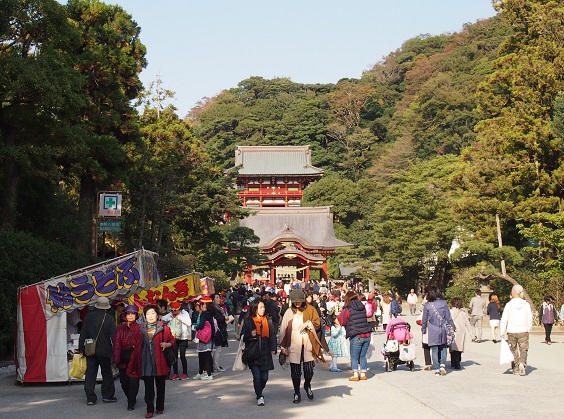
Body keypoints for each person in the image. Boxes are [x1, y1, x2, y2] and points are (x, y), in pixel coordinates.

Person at [127, 304, 175, 418]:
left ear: (157, 315)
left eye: (153, 313)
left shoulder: (164, 328)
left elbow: (172, 340)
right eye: (148, 314)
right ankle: (149, 409)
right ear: (145, 316)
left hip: (160, 361)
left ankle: (160, 407)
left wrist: (167, 344)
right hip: (146, 361)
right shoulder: (140, 329)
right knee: (148, 387)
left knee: (160, 386)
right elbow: (134, 343)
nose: (150, 316)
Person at [279, 289, 322, 404]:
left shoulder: (311, 310)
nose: (297, 303)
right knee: (295, 371)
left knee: (309, 369)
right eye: (295, 301)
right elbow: (283, 329)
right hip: (293, 344)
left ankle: (307, 385)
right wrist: (282, 347)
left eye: (299, 301)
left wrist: (308, 324)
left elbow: (318, 324)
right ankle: (296, 392)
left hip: (308, 343)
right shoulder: (289, 312)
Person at [78, 296, 117, 406]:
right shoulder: (109, 318)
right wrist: (117, 350)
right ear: (106, 308)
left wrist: (81, 348)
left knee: (90, 373)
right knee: (107, 373)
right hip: (105, 350)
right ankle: (107, 396)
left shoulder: (88, 317)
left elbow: (83, 333)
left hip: (90, 349)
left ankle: (90, 398)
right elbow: (113, 336)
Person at [241, 300, 277, 406]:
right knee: (257, 376)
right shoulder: (248, 321)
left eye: (264, 307)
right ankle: (259, 396)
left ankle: (259, 389)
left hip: (265, 352)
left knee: (264, 377)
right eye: (261, 307)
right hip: (253, 352)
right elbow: (242, 336)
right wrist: (250, 334)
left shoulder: (268, 320)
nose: (263, 309)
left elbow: (272, 335)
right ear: (255, 308)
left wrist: (273, 347)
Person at [337, 291, 372, 381]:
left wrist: (338, 316)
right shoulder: (362, 306)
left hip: (356, 335)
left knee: (354, 356)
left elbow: (342, 321)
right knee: (363, 355)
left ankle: (356, 375)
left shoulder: (347, 309)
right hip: (367, 334)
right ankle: (363, 373)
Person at [421, 286, 456, 376]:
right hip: (443, 328)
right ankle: (442, 365)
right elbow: (448, 317)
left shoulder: (428, 305)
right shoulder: (444, 303)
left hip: (433, 329)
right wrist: (453, 326)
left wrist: (423, 329)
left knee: (434, 349)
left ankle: (436, 368)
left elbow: (424, 319)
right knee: (443, 347)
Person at [112, 305, 142, 410]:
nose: (130, 316)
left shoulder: (140, 328)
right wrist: (116, 359)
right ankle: (130, 397)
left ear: (136, 315)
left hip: (135, 359)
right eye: (128, 314)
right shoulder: (120, 329)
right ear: (125, 315)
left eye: (132, 313)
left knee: (134, 382)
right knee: (124, 382)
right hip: (123, 359)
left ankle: (131, 402)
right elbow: (116, 344)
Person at [499, 284, 533, 376]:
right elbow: (529, 318)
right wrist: (528, 328)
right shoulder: (526, 305)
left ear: (513, 292)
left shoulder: (509, 305)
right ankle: (522, 363)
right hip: (523, 330)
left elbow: (504, 319)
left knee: (513, 350)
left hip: (511, 330)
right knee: (523, 349)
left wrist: (502, 331)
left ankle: (516, 368)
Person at [161, 301, 191, 380]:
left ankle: (185, 373)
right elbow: (163, 318)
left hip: (183, 338)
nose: (174, 312)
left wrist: (180, 318)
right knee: (174, 356)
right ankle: (175, 373)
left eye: (175, 310)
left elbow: (189, 323)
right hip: (174, 338)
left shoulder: (184, 314)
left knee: (182, 356)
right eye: (172, 310)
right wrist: (170, 317)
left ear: (179, 309)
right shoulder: (171, 314)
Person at [193, 295, 216, 380]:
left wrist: (196, 328)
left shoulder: (204, 314)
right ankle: (203, 373)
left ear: (204, 305)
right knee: (205, 355)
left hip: (204, 338)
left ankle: (208, 374)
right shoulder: (211, 313)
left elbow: (201, 325)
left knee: (204, 356)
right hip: (210, 337)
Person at [449, 297, 472, 370]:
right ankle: (458, 361)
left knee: (453, 348)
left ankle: (454, 362)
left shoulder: (450, 312)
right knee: (459, 348)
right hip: (461, 331)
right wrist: (472, 335)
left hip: (452, 331)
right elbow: (468, 324)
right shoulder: (463, 313)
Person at [210, 293, 229, 372]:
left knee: (216, 349)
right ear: (213, 299)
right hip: (216, 331)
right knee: (216, 349)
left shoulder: (219, 308)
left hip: (220, 330)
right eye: (217, 297)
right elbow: (218, 319)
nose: (218, 299)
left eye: (219, 297)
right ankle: (214, 366)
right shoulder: (213, 308)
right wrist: (224, 318)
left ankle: (214, 365)